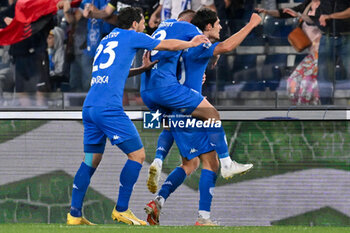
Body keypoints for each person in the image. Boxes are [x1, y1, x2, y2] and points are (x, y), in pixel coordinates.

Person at [66, 6, 209, 226]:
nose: (144, 26)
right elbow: (166, 44)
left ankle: (74, 215)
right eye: (142, 22)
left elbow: (112, 70)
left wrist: (142, 69)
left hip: (91, 106)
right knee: (138, 156)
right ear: (134, 23)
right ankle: (121, 209)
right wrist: (191, 43)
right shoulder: (133, 36)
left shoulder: (106, 39)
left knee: (90, 160)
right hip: (108, 109)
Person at [145, 9, 261, 226]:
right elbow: (226, 46)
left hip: (175, 108)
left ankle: (158, 200)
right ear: (207, 26)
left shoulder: (182, 48)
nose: (220, 27)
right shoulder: (198, 43)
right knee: (211, 162)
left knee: (190, 163)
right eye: (217, 24)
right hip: (189, 108)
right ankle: (204, 216)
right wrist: (251, 24)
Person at [256, 0, 322, 105]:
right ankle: (301, 110)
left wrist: (299, 16)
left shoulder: (327, 5)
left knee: (309, 84)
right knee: (293, 80)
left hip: (322, 54)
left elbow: (317, 21)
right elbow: (285, 13)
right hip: (311, 54)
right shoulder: (307, 4)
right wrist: (268, 12)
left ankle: (318, 111)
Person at [315, 0, 350, 104]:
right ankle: (326, 110)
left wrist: (330, 16)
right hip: (327, 37)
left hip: (346, 37)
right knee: (323, 76)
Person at [148, 0, 217, 29]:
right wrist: (155, 15)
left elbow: (210, 8)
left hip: (194, 27)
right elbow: (163, 4)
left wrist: (213, 25)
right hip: (173, 26)